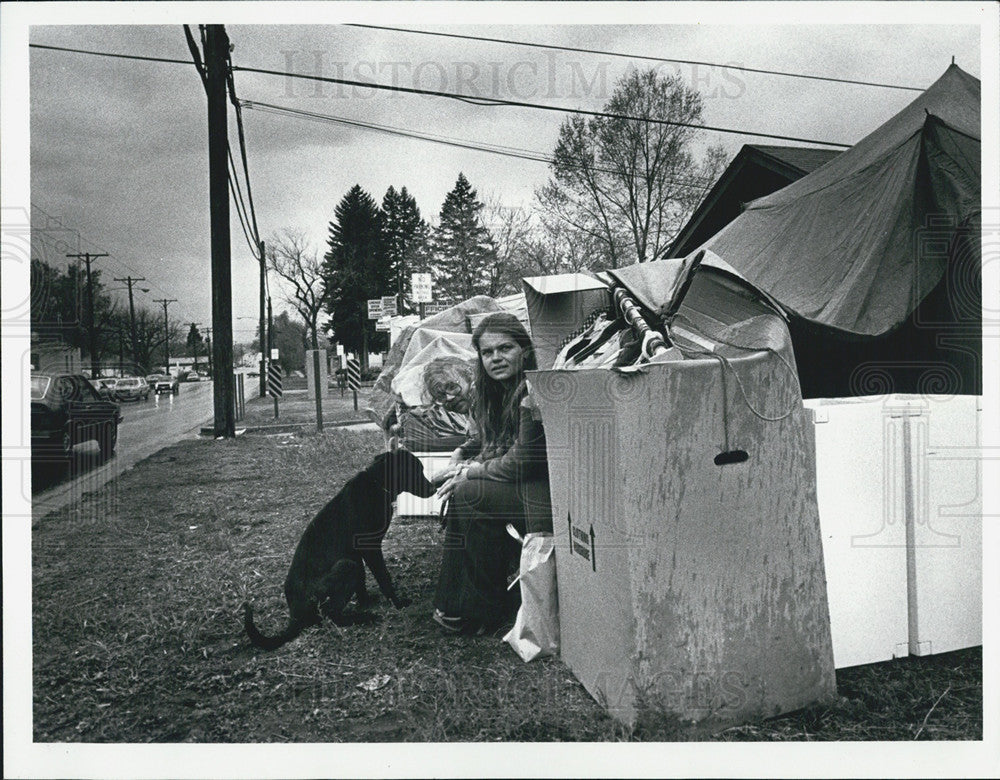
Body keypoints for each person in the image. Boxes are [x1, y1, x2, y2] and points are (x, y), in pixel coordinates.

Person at [432, 312, 552, 635]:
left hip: (547, 494)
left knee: (471, 494)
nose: (496, 358)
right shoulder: (497, 391)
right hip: (524, 486)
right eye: (487, 352)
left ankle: (482, 608)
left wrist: (471, 472)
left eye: (505, 348)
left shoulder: (533, 389)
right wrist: (464, 460)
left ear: (523, 349)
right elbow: (493, 442)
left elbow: (524, 459)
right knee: (465, 493)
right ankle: (460, 604)